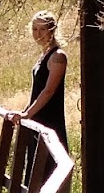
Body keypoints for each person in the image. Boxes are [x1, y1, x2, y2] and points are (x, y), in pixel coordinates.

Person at [11, 10, 67, 151]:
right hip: (37, 117)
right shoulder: (44, 55)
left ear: (51, 30)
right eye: (35, 29)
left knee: (48, 165)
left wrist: (27, 114)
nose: (38, 34)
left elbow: (48, 91)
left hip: (50, 119)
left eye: (43, 29)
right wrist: (25, 112)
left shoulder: (57, 57)